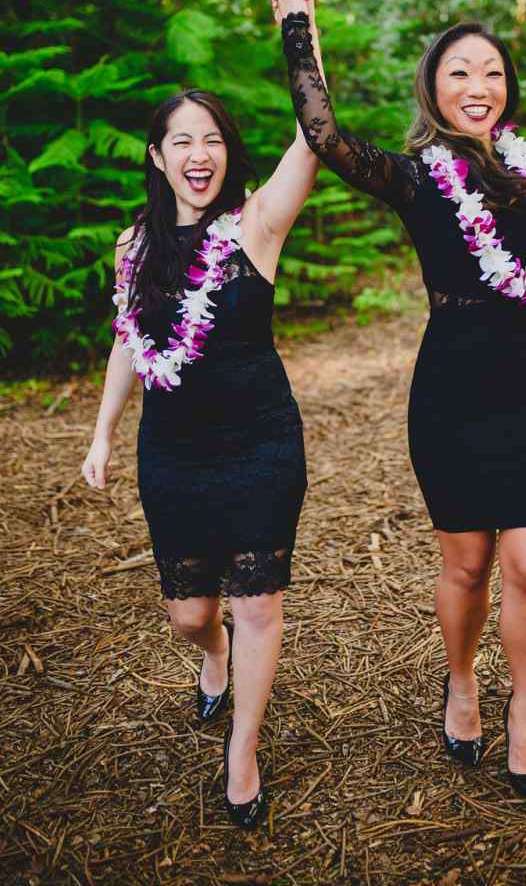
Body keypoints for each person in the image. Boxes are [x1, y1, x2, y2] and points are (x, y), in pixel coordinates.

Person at [271, 0, 526, 800]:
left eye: (491, 72)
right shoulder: (411, 178)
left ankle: (525, 711)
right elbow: (324, 133)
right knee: (469, 563)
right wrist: (298, 28)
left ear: (507, 87)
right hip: (451, 390)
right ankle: (460, 680)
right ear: (433, 87)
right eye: (458, 73)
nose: (478, 87)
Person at [81, 66, 322, 829]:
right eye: (182, 139)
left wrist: (299, 29)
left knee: (258, 606)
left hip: (261, 442)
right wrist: (103, 432)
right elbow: (129, 338)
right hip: (174, 451)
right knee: (191, 614)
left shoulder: (258, 224)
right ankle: (211, 656)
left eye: (212, 139)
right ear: (157, 156)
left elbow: (314, 134)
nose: (199, 152)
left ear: (228, 154)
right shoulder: (135, 243)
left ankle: (242, 750)